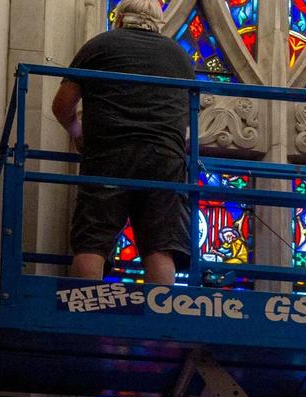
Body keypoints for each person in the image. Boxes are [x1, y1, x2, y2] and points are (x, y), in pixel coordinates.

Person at [52, 0, 196, 285]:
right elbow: (189, 121)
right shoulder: (179, 56)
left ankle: (85, 314)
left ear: (119, 18)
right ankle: (160, 318)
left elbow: (62, 105)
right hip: (163, 159)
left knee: (92, 240)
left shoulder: (99, 46)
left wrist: (77, 131)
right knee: (160, 245)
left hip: (108, 154)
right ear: (158, 22)